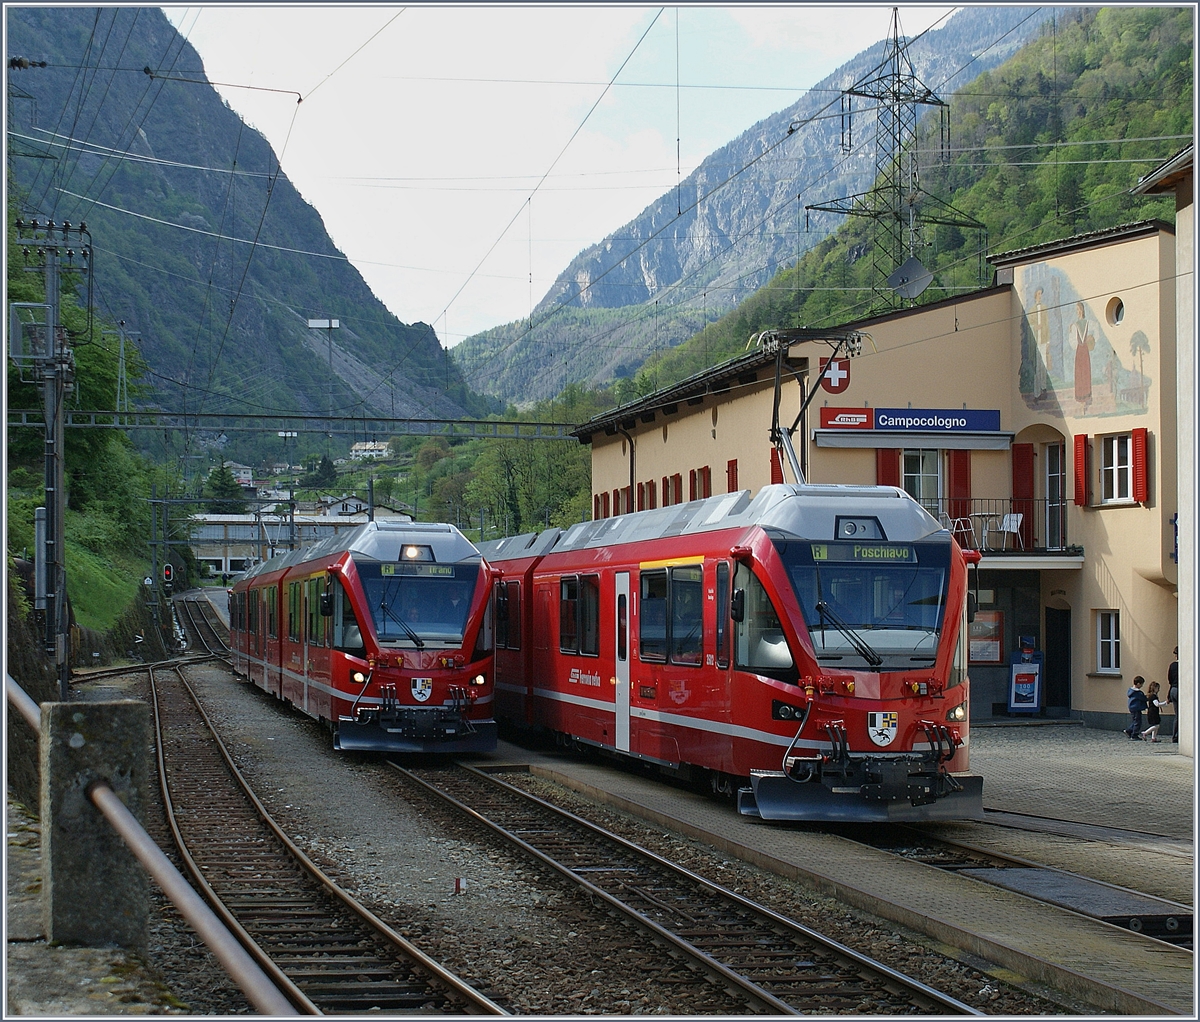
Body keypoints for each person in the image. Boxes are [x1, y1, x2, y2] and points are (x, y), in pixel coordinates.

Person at [1124, 676, 1148, 740]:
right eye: (1141, 684)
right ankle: (1134, 735)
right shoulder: (1138, 693)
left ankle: (1129, 731)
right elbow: (1144, 698)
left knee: (1135, 720)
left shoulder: (1130, 690)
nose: (1142, 686)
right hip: (1136, 708)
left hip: (1132, 707)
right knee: (1138, 722)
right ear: (1138, 684)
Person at [1168, 646, 1179, 743]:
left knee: (1177, 715)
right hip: (1180, 690)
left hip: (1173, 690)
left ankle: (1175, 736)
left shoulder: (1172, 666)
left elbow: (1170, 680)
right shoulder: (1185, 664)